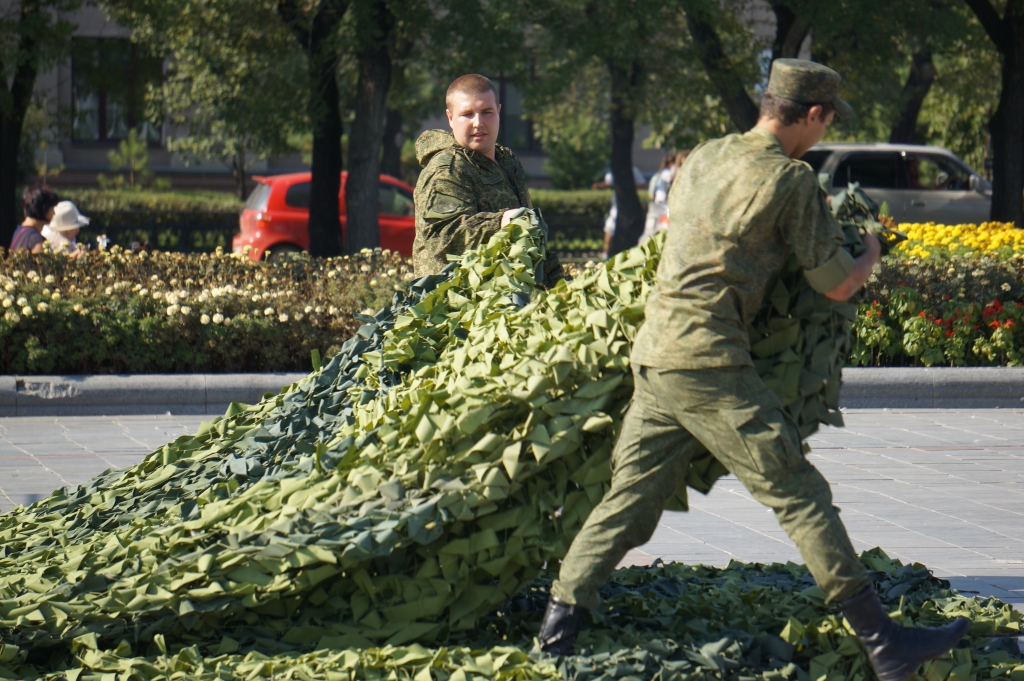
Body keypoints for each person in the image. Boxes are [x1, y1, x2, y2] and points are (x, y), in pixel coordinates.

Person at [534, 59, 969, 681]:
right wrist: (869, 250)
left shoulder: (704, 157)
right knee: (798, 491)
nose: (823, 133)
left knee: (627, 502)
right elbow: (836, 282)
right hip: (709, 362)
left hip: (656, 352)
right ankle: (884, 643)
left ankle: (554, 635)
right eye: (826, 122)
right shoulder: (789, 179)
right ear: (812, 114)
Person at [413, 74, 564, 285]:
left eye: (487, 112)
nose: (478, 123)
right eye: (467, 114)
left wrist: (560, 286)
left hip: (506, 295)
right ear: (450, 118)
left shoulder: (507, 162)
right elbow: (443, 238)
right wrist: (500, 223)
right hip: (456, 298)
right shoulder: (448, 169)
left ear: (499, 112)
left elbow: (531, 242)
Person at [592, 165, 647, 258]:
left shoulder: (634, 171)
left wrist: (628, 186)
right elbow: (608, 183)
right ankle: (606, 252)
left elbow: (644, 185)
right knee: (610, 227)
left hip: (629, 203)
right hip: (617, 202)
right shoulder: (615, 170)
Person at [10, 185, 60, 254]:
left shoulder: (20, 230)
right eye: (52, 208)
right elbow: (41, 261)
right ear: (43, 209)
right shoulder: (35, 240)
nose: (54, 213)